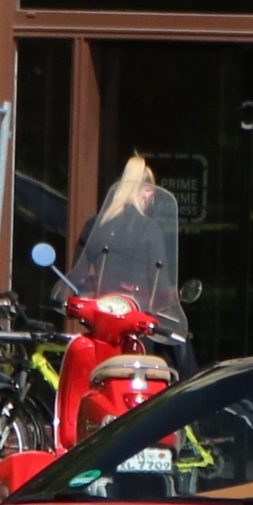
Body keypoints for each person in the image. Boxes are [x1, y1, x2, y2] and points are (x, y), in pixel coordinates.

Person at [66, 157, 193, 375]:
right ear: (139, 190)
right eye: (148, 188)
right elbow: (160, 284)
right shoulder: (150, 229)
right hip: (136, 329)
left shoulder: (95, 225)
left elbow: (77, 279)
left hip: (102, 327)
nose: (151, 194)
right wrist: (169, 300)